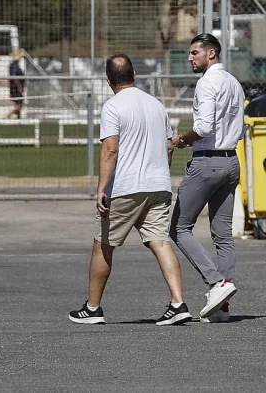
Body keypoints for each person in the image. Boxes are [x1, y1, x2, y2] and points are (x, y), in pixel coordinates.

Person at [69, 54, 192, 326]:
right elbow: (169, 145)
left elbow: (110, 149)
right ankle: (178, 302)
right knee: (160, 242)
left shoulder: (113, 106)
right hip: (159, 186)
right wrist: (161, 172)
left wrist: (102, 188)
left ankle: (92, 308)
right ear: (134, 75)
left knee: (103, 244)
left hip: (126, 188)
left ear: (108, 79)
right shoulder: (157, 105)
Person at [170, 33, 245, 323]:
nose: (190, 58)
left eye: (194, 53)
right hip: (231, 161)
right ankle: (222, 308)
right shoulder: (234, 83)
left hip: (207, 161)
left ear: (210, 54)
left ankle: (217, 284)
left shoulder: (207, 82)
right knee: (223, 234)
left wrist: (182, 140)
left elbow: (202, 127)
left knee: (178, 227)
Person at [7, 50, 25, 119]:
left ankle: (18, 118)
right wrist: (19, 86)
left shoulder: (14, 65)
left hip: (14, 87)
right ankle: (8, 115)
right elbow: (15, 77)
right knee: (20, 104)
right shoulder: (15, 65)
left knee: (18, 103)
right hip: (16, 87)